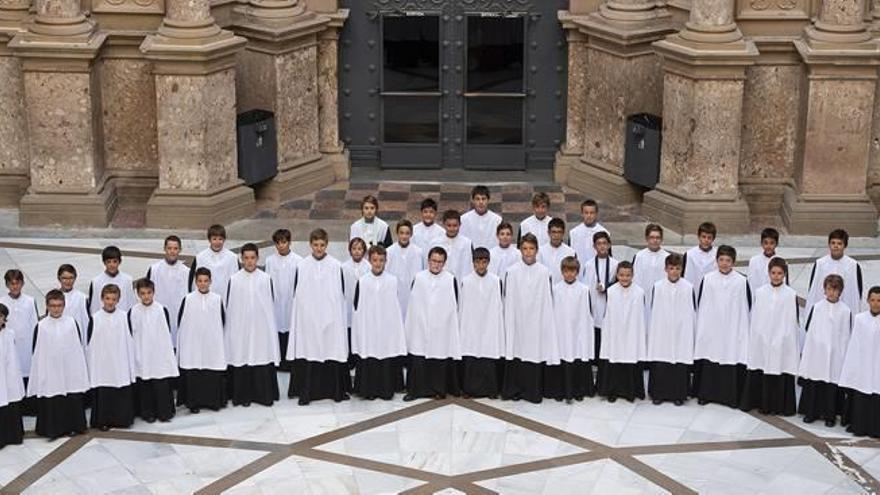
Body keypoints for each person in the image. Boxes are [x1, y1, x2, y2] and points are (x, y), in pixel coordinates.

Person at [288, 229, 351, 405]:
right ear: (310, 245)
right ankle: (307, 392)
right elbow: (298, 295)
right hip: (309, 319)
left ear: (327, 245)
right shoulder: (302, 266)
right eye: (315, 245)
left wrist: (334, 317)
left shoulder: (335, 265)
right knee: (310, 352)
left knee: (330, 350)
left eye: (322, 245)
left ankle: (335, 391)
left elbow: (339, 295)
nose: (319, 248)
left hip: (330, 319)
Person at [501, 234, 559, 403]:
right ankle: (515, 390)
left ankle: (531, 392)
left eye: (531, 248)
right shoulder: (511, 271)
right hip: (517, 319)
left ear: (537, 250)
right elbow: (508, 298)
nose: (528, 252)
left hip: (535, 320)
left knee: (533, 353)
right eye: (525, 248)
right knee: (517, 351)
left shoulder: (544, 272)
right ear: (520, 250)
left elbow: (547, 300)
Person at [692, 245, 751, 408]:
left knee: (730, 356)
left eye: (728, 260)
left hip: (732, 329)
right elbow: (702, 304)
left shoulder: (741, 281)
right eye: (721, 260)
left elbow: (746, 308)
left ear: (734, 262)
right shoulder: (708, 279)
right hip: (712, 328)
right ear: (716, 261)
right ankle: (705, 394)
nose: (724, 264)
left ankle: (730, 397)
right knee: (710, 356)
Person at [739, 257, 799, 416]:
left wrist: (783, 338)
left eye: (780, 273)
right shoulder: (760, 292)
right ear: (768, 273)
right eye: (773, 273)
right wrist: (760, 336)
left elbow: (791, 320)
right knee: (762, 366)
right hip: (763, 338)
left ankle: (780, 406)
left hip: (782, 340)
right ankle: (761, 403)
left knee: (780, 367)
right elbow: (757, 317)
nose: (776, 276)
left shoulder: (790, 294)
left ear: (785, 274)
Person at [28, 290, 89, 439]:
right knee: (52, 396)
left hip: (69, 368)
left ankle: (73, 426)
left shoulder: (71, 323)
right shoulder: (41, 325)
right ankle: (52, 429)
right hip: (50, 370)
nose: (56, 309)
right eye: (53, 305)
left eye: (59, 305)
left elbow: (77, 346)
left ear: (64, 305)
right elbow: (37, 352)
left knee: (71, 394)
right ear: (47, 306)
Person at [404, 247, 462, 400]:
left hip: (441, 328)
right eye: (434, 261)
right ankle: (415, 391)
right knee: (419, 358)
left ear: (444, 263)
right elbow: (413, 303)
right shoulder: (419, 277)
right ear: (428, 261)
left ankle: (438, 389)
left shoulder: (450, 279)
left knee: (439, 356)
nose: (436, 265)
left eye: (440, 262)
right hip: (420, 327)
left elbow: (455, 304)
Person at [225, 243, 280, 407]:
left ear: (258, 258)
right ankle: (243, 396)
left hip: (260, 329)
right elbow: (231, 307)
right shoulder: (234, 280)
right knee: (242, 356)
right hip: (241, 329)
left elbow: (270, 306)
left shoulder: (266, 279)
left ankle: (263, 396)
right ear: (241, 259)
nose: (249, 262)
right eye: (246, 258)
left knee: (260, 356)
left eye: (253, 258)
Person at [351, 246, 407, 400]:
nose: (378, 263)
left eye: (381, 260)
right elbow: (357, 308)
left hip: (386, 328)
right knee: (369, 355)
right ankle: (368, 390)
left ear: (386, 261)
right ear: (369, 261)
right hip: (368, 328)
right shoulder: (362, 281)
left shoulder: (392, 281)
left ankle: (386, 390)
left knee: (386, 354)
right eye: (375, 260)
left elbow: (396, 307)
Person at [798, 274, 852, 427]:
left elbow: (845, 335)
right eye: (829, 289)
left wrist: (842, 355)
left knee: (831, 386)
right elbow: (811, 329)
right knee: (815, 382)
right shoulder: (817, 307)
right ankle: (811, 412)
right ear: (824, 290)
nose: (832, 293)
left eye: (835, 290)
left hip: (836, 353)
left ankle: (830, 415)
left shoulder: (845, 310)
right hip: (817, 352)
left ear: (840, 291)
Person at [646, 253, 695, 406]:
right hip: (662, 330)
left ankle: (679, 395)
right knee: (661, 361)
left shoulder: (688, 287)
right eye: (671, 268)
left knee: (679, 362)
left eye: (677, 268)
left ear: (682, 269)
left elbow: (692, 311)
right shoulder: (658, 286)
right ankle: (658, 394)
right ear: (665, 269)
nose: (674, 271)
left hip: (681, 330)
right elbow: (654, 310)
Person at [177, 267, 228, 413]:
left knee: (211, 371)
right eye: (200, 281)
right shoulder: (188, 299)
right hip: (193, 344)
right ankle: (194, 404)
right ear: (195, 282)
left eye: (206, 281)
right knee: (195, 373)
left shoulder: (217, 299)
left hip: (212, 343)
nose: (203, 284)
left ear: (210, 281)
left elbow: (222, 320)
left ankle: (213, 402)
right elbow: (181, 321)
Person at [87, 284, 137, 431]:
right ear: (102, 299)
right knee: (104, 391)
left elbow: (129, 340)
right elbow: (90, 344)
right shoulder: (95, 318)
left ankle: (122, 420)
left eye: (113, 299)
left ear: (118, 300)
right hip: (102, 364)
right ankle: (103, 420)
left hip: (119, 360)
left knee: (120, 388)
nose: (110, 302)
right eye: (107, 298)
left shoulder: (123, 316)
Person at [128, 278, 179, 423]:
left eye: (149, 293)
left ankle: (165, 412)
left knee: (161, 382)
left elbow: (166, 331)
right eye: (142, 293)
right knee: (145, 384)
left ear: (153, 292)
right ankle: (147, 412)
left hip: (159, 354)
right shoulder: (133, 311)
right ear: (138, 294)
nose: (146, 296)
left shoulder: (161, 309)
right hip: (142, 353)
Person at [546, 256, 595, 402]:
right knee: (561, 357)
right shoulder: (555, 289)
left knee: (576, 357)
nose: (569, 274)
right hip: (560, 329)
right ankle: (560, 391)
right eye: (566, 271)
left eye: (572, 271)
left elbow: (587, 312)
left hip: (577, 330)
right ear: (562, 271)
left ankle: (577, 390)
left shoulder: (584, 289)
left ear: (577, 272)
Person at [459, 248, 505, 399]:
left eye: (484, 262)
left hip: (489, 323)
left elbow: (499, 304)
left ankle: (490, 390)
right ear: (473, 263)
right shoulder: (466, 281)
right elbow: (463, 305)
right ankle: (469, 390)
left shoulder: (495, 280)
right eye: (478, 262)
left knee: (488, 355)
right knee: (472, 354)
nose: (481, 265)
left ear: (488, 262)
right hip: (471, 324)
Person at [597, 262, 646, 402]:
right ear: (617, 275)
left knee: (630, 359)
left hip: (632, 332)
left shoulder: (639, 292)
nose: (624, 278)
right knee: (615, 359)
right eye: (621, 275)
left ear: (633, 275)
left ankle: (630, 392)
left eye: (628, 275)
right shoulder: (611, 291)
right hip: (615, 332)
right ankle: (613, 391)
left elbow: (639, 316)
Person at [840, 287, 880, 437]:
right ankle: (860, 426)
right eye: (873, 300)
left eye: (879, 301)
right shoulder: (860, 319)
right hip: (863, 365)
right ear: (868, 301)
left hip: (877, 366)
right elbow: (854, 344)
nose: (876, 304)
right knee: (862, 394)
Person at [264, 228, 302, 370]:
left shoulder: (298, 261)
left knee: (291, 328)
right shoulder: (270, 260)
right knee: (277, 328)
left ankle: (291, 362)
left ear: (289, 242)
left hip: (292, 301)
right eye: (278, 243)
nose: (281, 246)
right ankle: (277, 360)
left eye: (284, 242)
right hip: (276, 302)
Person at [805, 229, 864, 316]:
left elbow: (858, 290)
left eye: (839, 243)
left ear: (845, 245)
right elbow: (813, 288)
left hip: (844, 309)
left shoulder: (853, 265)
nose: (836, 246)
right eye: (833, 243)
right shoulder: (820, 264)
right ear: (829, 244)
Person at [0, 269, 38, 403]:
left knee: (28, 371)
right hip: (8, 345)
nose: (15, 286)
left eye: (18, 283)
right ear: (7, 285)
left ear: (22, 284)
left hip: (27, 345)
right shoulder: (2, 301)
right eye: (11, 283)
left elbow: (34, 323)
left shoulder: (30, 301)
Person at [146, 235, 190, 347]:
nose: (172, 251)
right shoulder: (154, 269)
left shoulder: (187, 272)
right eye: (169, 248)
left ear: (180, 250)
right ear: (164, 249)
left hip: (179, 316)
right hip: (158, 315)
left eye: (175, 248)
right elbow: (145, 291)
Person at [582, 231, 618, 361]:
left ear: (609, 245)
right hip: (594, 303)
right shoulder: (589, 264)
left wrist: (607, 287)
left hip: (608, 305)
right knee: (594, 333)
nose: (602, 246)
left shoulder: (615, 264)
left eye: (604, 243)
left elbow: (619, 284)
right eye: (599, 244)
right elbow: (585, 286)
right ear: (594, 246)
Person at [189, 224, 238, 303]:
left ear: (224, 239)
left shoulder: (232, 258)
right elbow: (192, 281)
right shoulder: (200, 257)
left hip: (225, 298)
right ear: (209, 240)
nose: (217, 242)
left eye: (220, 239)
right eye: (214, 239)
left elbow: (236, 280)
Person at [386, 220, 424, 319]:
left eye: (407, 233)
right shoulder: (389, 252)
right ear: (397, 233)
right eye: (401, 233)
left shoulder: (418, 252)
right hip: (395, 293)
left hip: (412, 293)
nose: (404, 236)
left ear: (411, 234)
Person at [0, 304, 24, 448]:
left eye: (1, 317)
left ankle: (12, 436)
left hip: (9, 374)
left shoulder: (10, 333)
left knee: (10, 402)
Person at [87, 246, 136, 315]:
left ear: (120, 262)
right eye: (109, 262)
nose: (112, 265)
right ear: (104, 262)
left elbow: (131, 303)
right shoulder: (96, 282)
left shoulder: (127, 280)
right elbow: (93, 306)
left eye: (115, 261)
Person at [632, 224, 670, 312]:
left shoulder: (667, 257)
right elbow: (634, 279)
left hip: (662, 300)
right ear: (647, 238)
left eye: (658, 237)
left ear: (662, 239)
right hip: (642, 300)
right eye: (652, 237)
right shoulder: (639, 256)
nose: (655, 240)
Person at [430, 209, 474, 281]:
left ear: (460, 225)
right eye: (449, 225)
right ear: (444, 224)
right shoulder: (435, 243)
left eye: (455, 225)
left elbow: (469, 267)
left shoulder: (467, 243)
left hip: (460, 282)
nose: (452, 229)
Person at [57, 264, 89, 351]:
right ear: (59, 278)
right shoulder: (54, 297)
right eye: (64, 278)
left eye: (71, 278)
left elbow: (86, 322)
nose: (68, 281)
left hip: (78, 342)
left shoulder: (82, 298)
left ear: (75, 278)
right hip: (58, 340)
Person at [461, 185, 502, 250]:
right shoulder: (463, 219)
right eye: (477, 199)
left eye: (483, 199)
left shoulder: (497, 220)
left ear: (488, 200)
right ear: (473, 201)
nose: (481, 202)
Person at [568, 199, 608, 263]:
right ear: (582, 214)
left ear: (596, 214)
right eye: (586, 213)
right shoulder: (573, 233)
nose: (589, 216)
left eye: (592, 213)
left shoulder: (604, 233)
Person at [538, 218, 576, 284]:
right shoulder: (540, 251)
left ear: (563, 233)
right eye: (554, 232)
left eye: (559, 232)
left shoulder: (571, 252)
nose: (556, 235)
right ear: (548, 233)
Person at [682, 222, 718, 287]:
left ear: (713, 239)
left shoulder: (717, 255)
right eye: (703, 237)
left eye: (709, 238)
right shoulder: (689, 255)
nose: (706, 240)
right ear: (698, 237)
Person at [747, 228, 781, 292]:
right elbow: (750, 283)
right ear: (761, 243)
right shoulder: (754, 261)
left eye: (772, 243)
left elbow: (784, 283)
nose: (768, 246)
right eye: (766, 243)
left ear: (776, 244)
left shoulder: (781, 261)